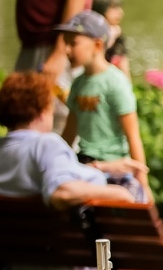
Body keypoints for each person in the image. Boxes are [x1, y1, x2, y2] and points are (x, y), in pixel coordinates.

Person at [0, 71, 146, 270]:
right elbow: (60, 192)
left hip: (20, 254)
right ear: (41, 110)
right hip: (66, 252)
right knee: (134, 195)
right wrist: (116, 192)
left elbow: (52, 176)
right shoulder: (46, 143)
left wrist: (101, 168)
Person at [60, 11, 149, 202]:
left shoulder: (115, 82)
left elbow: (133, 135)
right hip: (85, 163)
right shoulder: (77, 84)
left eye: (73, 43)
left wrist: (143, 181)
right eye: (65, 43)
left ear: (97, 45)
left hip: (115, 166)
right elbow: (69, 132)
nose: (67, 50)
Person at [91, 0, 130, 76]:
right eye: (114, 8)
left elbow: (124, 70)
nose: (120, 12)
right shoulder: (89, 35)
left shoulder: (118, 36)